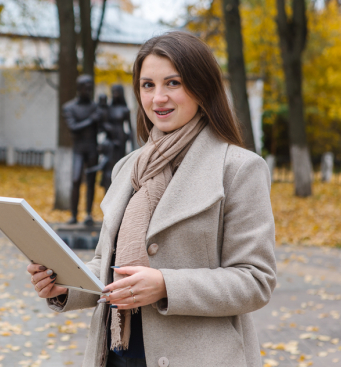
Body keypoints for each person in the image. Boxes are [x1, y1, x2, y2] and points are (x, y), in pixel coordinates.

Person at [28, 31, 276, 367]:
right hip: (115, 354)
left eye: (172, 83)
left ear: (202, 88)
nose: (158, 98)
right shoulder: (127, 167)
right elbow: (107, 265)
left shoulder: (239, 169)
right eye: (148, 85)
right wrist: (64, 286)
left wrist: (165, 285)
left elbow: (255, 280)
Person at [63, 74, 100, 226]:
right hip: (78, 149)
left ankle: (88, 214)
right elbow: (73, 127)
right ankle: (73, 215)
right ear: (79, 89)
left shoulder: (96, 107)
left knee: (91, 181)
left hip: (92, 148)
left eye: (91, 88)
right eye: (86, 88)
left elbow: (103, 126)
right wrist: (91, 120)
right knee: (76, 179)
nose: (89, 91)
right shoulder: (69, 107)